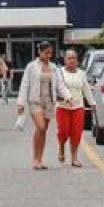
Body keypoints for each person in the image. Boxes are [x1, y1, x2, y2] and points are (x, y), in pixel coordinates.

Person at [16, 41, 70, 170]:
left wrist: (68, 96)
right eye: (46, 53)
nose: (48, 55)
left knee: (44, 130)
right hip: (35, 101)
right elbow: (25, 84)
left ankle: (40, 159)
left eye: (50, 53)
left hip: (49, 101)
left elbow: (60, 85)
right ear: (39, 52)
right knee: (40, 127)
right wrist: (21, 103)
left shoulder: (53, 67)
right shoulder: (31, 67)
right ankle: (35, 158)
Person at [54, 49, 94, 167]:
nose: (72, 60)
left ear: (77, 60)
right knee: (63, 131)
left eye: (74, 58)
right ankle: (61, 147)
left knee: (76, 132)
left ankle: (74, 157)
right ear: (64, 60)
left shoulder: (81, 73)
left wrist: (92, 103)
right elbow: (55, 88)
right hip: (62, 106)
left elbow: (86, 89)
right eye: (69, 58)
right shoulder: (59, 72)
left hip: (78, 107)